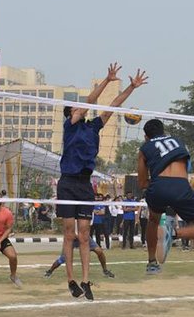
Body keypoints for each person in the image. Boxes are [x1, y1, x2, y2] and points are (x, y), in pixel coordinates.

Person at [57, 63, 147, 300]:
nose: (81, 109)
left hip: (85, 184)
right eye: (77, 108)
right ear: (71, 113)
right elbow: (88, 103)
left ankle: (86, 280)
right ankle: (70, 280)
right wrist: (106, 81)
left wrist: (131, 87)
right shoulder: (70, 126)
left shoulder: (93, 127)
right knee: (69, 234)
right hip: (67, 182)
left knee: (85, 235)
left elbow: (113, 105)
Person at [137, 118, 194, 274]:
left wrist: (155, 185)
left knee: (153, 221)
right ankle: (173, 233)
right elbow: (186, 168)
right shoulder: (179, 141)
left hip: (158, 186)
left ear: (146, 136)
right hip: (181, 186)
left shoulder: (145, 147)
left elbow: (141, 183)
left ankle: (152, 263)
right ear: (164, 131)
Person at [43, 236, 115, 279]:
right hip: (71, 239)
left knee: (99, 251)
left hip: (84, 237)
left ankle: (105, 270)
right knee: (63, 258)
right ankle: (49, 271)